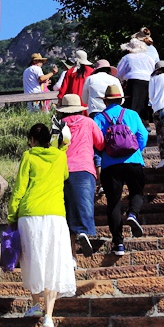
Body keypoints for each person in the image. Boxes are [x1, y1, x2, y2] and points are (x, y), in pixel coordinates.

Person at [7, 122, 76, 327]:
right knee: (53, 264)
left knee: (32, 259)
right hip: (55, 215)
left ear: (31, 140)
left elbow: (19, 189)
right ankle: (48, 316)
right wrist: (62, 146)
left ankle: (36, 304)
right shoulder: (59, 156)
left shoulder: (28, 156)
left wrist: (11, 215)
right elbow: (64, 176)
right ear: (49, 139)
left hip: (30, 215)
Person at [94, 83, 148, 256]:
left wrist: (103, 156)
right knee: (137, 193)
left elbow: (98, 143)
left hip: (110, 166)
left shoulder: (99, 118)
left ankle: (118, 244)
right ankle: (133, 213)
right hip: (133, 162)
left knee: (114, 204)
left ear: (105, 101)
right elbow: (143, 135)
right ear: (121, 99)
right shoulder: (132, 114)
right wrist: (135, 150)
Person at [55, 94, 105, 257]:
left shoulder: (58, 124)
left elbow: (52, 146)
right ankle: (83, 231)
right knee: (84, 203)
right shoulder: (89, 122)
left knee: (67, 210)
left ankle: (71, 256)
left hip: (62, 168)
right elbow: (101, 143)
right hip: (84, 168)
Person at [117, 38, 156, 118]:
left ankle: (131, 121)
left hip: (133, 81)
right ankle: (144, 122)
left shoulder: (127, 58)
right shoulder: (148, 58)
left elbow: (119, 73)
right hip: (147, 81)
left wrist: (121, 81)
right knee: (144, 102)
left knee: (132, 103)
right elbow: (153, 70)